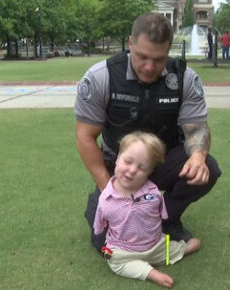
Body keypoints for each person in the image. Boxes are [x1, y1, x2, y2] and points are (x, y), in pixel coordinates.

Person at [75, 13, 222, 252]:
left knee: (209, 168)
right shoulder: (102, 76)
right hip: (119, 169)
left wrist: (197, 156)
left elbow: (197, 128)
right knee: (105, 245)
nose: (149, 67)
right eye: (142, 57)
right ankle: (116, 208)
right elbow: (85, 136)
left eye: (159, 59)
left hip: (163, 161)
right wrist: (108, 189)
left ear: (168, 52)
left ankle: (164, 222)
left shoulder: (184, 77)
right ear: (130, 43)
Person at [94, 131, 201, 288]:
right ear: (117, 158)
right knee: (112, 259)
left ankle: (182, 250)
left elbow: (161, 215)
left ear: (149, 172)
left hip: (155, 245)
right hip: (123, 252)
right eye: (128, 161)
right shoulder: (105, 199)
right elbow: (99, 227)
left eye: (141, 168)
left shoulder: (153, 193)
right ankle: (150, 273)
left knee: (170, 247)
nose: (132, 170)